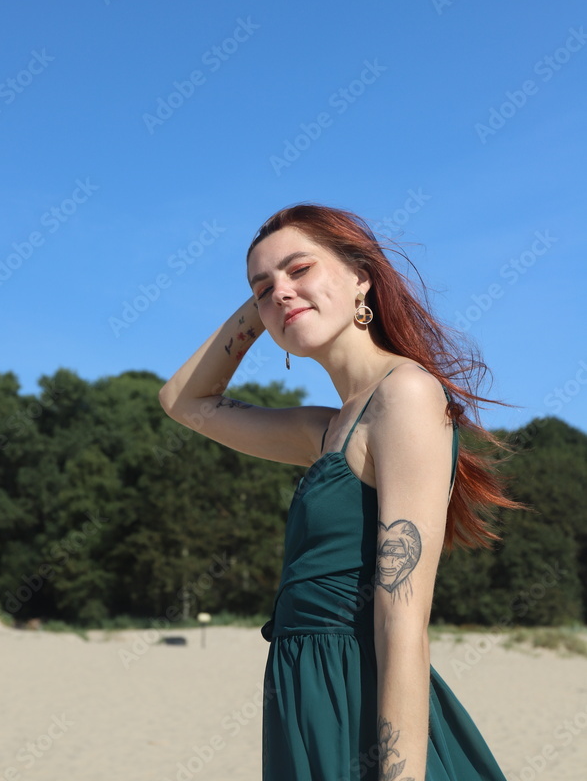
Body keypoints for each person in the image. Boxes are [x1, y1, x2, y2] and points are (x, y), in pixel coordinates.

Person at [158, 202, 527, 780]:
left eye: (301, 268)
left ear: (362, 278)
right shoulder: (326, 429)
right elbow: (184, 402)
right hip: (300, 692)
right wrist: (272, 301)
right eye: (262, 286)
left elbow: (401, 621)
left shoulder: (404, 394)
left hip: (358, 694)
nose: (280, 290)